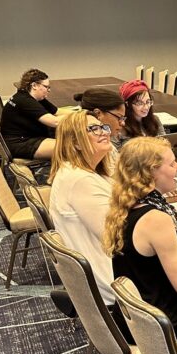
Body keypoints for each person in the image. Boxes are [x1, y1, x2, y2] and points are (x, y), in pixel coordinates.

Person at [102, 137, 177, 338]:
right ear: (151, 172)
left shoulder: (127, 205)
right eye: (172, 163)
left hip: (136, 316)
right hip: (160, 324)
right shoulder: (156, 219)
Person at [48, 109, 115, 303]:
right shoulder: (80, 180)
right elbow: (114, 238)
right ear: (75, 142)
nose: (104, 132)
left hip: (104, 271)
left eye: (103, 127)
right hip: (112, 282)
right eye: (93, 129)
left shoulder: (84, 172)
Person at [0, 68, 60, 159]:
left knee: (72, 143)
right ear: (34, 85)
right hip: (19, 143)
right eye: (46, 87)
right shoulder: (25, 101)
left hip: (24, 137)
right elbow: (54, 122)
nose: (48, 90)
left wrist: (83, 112)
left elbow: (57, 112)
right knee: (72, 148)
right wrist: (80, 118)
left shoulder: (30, 96)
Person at [114, 79, 164, 149]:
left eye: (148, 102)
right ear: (127, 104)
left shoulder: (155, 119)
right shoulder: (119, 126)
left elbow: (165, 145)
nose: (146, 107)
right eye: (140, 103)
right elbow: (114, 155)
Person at [73, 87, 127, 153]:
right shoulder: (93, 149)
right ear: (97, 113)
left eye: (123, 118)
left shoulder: (109, 146)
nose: (123, 123)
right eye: (119, 117)